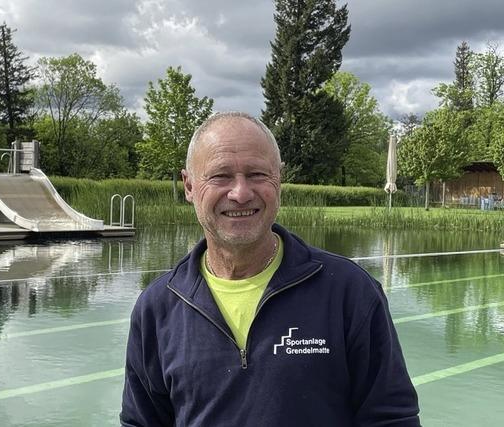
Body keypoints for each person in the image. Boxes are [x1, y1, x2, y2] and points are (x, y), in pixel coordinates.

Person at [120, 112, 420, 426]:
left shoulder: (349, 292)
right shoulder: (158, 306)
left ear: (279, 179)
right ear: (190, 186)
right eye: (221, 176)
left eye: (257, 174)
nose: (240, 193)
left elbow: (391, 419)